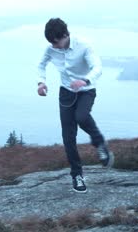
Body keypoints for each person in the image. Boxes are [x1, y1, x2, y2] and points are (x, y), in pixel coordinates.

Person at [36, 18, 114, 193]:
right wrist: (41, 83)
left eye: (56, 42)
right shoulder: (51, 48)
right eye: (51, 43)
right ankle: (77, 175)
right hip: (66, 92)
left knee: (82, 117)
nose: (54, 46)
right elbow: (41, 65)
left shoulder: (84, 45)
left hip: (86, 89)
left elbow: (97, 67)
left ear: (65, 35)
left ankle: (100, 143)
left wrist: (84, 80)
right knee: (68, 137)